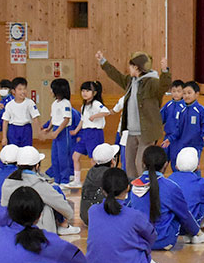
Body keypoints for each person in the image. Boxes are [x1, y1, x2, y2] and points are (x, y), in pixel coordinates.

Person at [83, 168, 174, 263]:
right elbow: (151, 237)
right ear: (127, 187)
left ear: (102, 189)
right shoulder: (134, 215)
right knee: (138, 240)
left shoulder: (93, 211)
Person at [97, 50, 172, 179]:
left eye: (131, 66)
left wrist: (165, 72)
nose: (129, 68)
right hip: (131, 132)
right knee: (129, 164)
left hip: (146, 132)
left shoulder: (152, 82)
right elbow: (116, 75)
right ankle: (133, 191)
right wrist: (103, 62)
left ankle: (146, 190)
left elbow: (163, 87)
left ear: (137, 67)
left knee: (140, 163)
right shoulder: (131, 81)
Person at [129, 145, 203, 249]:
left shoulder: (134, 185)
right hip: (163, 241)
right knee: (178, 210)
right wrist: (197, 232)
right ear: (166, 164)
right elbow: (185, 215)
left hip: (139, 240)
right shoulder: (171, 186)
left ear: (143, 163)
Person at [1, 146, 81, 236]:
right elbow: (65, 208)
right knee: (48, 203)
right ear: (37, 166)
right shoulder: (38, 184)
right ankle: (63, 226)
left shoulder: (7, 182)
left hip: (11, 228)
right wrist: (67, 217)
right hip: (37, 232)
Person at [168, 147, 204, 235]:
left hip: (169, 226)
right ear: (197, 167)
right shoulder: (199, 183)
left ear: (176, 166)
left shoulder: (168, 180)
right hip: (188, 227)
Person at [165, 81, 204, 170]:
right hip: (181, 144)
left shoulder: (200, 110)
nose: (186, 96)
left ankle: (195, 183)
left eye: (189, 93)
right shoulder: (182, 111)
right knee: (177, 166)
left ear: (197, 94)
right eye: (184, 93)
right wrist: (170, 139)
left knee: (193, 167)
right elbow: (178, 129)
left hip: (195, 145)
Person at [69, 81, 110, 185]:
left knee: (94, 160)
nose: (84, 93)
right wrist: (76, 131)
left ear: (94, 93)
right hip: (85, 133)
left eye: (87, 90)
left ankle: (98, 182)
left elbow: (106, 112)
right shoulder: (84, 106)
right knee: (75, 156)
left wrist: (95, 116)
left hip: (94, 133)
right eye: (83, 90)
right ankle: (77, 181)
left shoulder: (96, 104)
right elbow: (82, 120)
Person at [41, 78, 74, 186]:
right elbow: (53, 118)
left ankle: (64, 180)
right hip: (56, 129)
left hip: (63, 131)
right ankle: (57, 179)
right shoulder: (54, 103)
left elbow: (66, 119)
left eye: (52, 89)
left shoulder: (66, 103)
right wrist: (49, 128)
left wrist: (57, 132)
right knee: (55, 156)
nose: (50, 91)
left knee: (63, 157)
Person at [79, 143, 119, 226]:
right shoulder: (111, 174)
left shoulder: (91, 172)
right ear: (112, 160)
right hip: (104, 217)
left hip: (86, 217)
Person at [0, 77, 40, 148]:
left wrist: (39, 132)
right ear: (13, 91)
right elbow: (5, 121)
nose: (23, 91)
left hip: (26, 129)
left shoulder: (30, 103)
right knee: (13, 151)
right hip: (13, 129)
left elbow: (35, 117)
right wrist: (4, 137)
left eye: (24, 89)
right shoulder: (9, 105)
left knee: (26, 150)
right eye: (20, 89)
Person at [160, 79, 186, 155]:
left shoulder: (185, 106)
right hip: (167, 136)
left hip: (180, 139)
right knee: (163, 158)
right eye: (174, 91)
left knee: (176, 160)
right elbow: (160, 119)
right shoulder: (168, 105)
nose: (176, 94)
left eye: (178, 91)